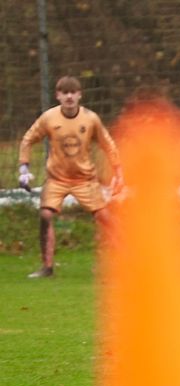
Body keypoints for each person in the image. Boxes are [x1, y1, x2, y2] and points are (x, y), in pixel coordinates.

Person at [18, 75, 123, 278]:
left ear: (79, 95)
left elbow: (108, 144)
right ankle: (47, 267)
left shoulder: (90, 119)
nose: (69, 97)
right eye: (64, 93)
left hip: (85, 179)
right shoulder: (49, 118)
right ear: (57, 95)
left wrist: (118, 171)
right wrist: (24, 168)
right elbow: (28, 139)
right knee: (45, 215)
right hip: (56, 179)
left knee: (105, 217)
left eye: (73, 92)